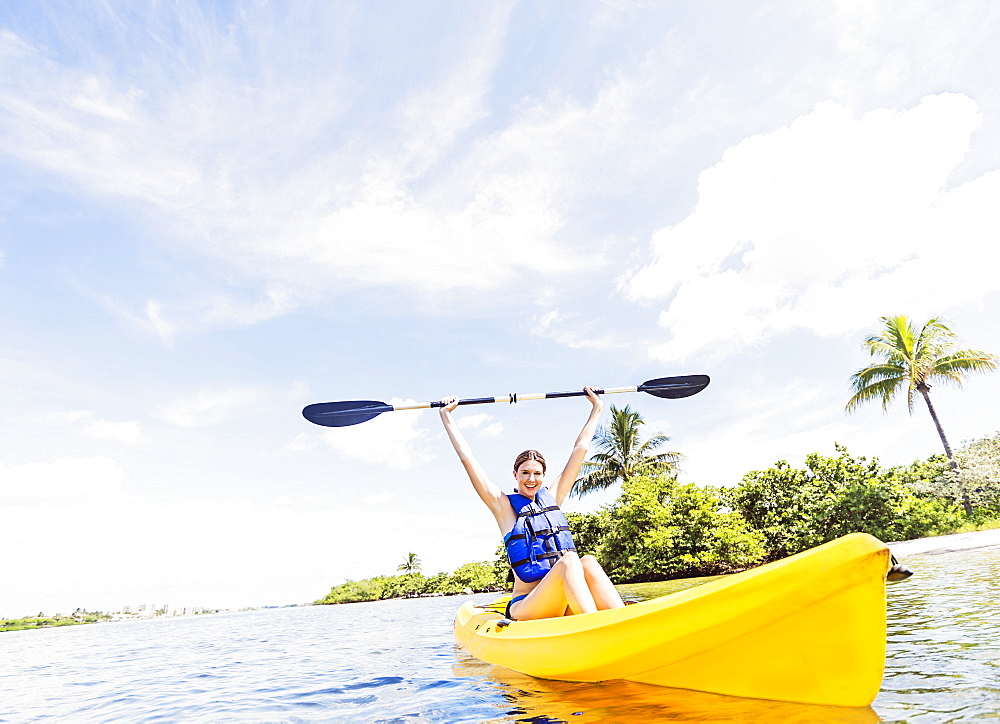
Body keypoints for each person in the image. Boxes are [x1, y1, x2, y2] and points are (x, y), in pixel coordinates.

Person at [439, 387, 624, 621]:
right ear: (515, 474)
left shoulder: (552, 498)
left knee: (587, 561)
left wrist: (597, 408)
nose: (531, 479)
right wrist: (446, 416)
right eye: (525, 473)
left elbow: (580, 450)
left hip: (560, 600)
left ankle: (624, 620)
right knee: (569, 561)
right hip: (527, 605)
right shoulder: (503, 507)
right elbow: (468, 460)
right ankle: (596, 626)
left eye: (537, 473)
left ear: (543, 476)